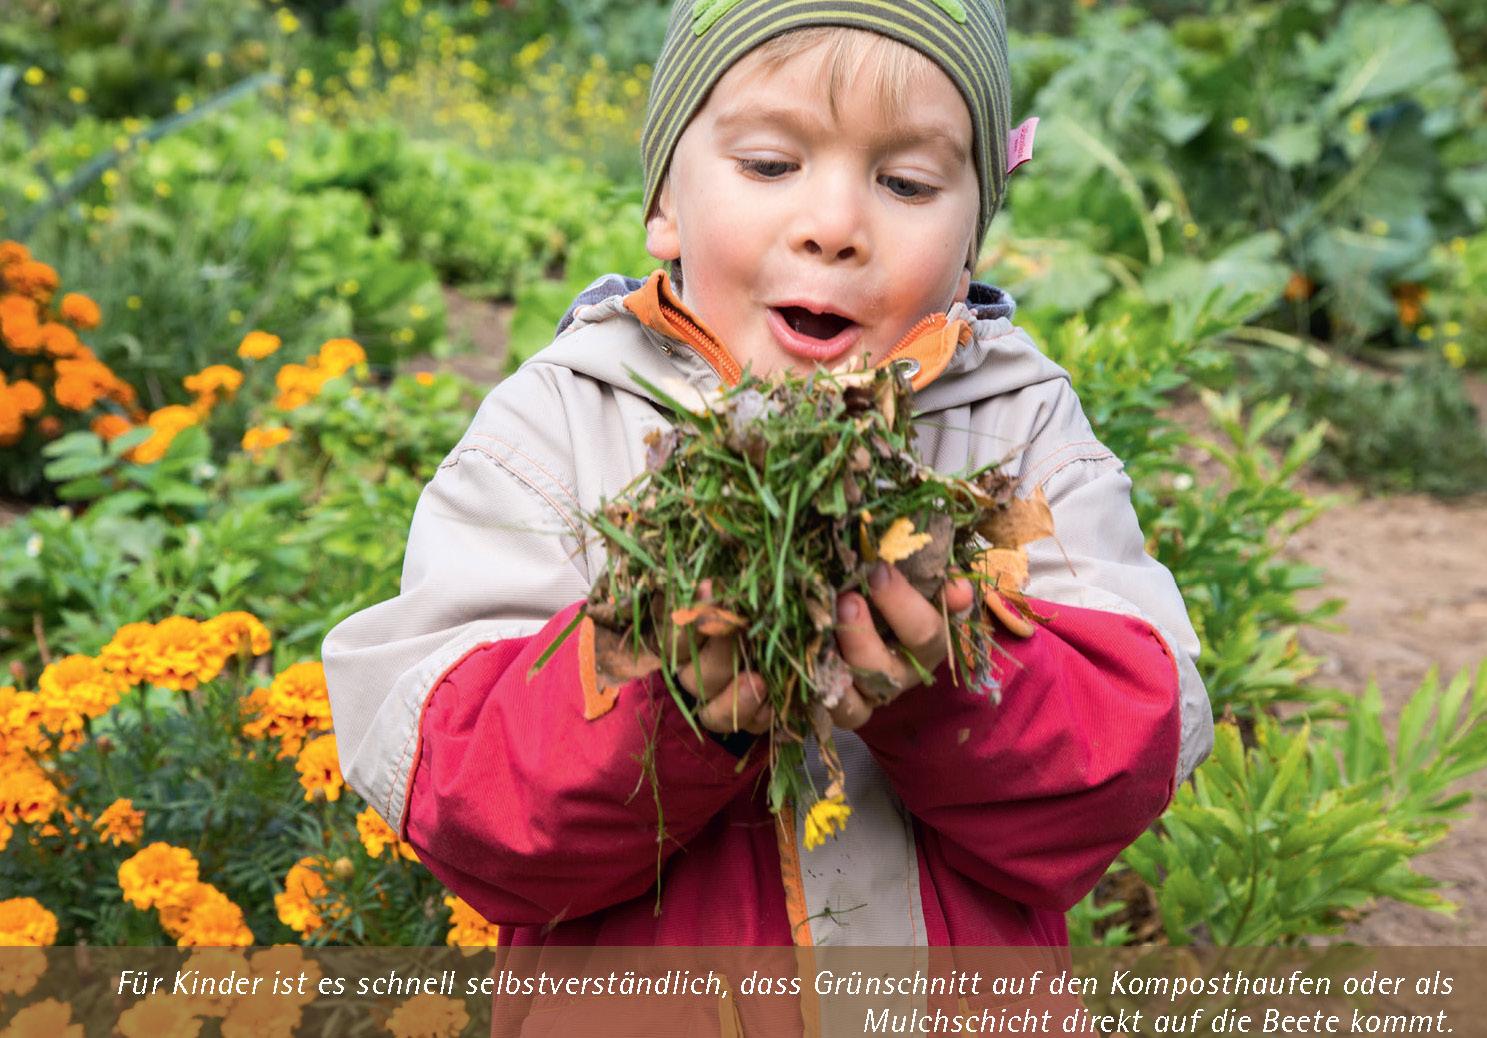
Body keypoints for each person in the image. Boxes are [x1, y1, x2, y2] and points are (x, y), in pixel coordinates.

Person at [321, 0, 1212, 949]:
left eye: (906, 183)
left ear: (969, 250)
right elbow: (463, 794)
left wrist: (954, 675)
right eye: (770, 166)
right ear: (666, 204)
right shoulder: (561, 427)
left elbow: (1130, 758)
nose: (832, 226)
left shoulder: (1017, 429)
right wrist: (666, 693)